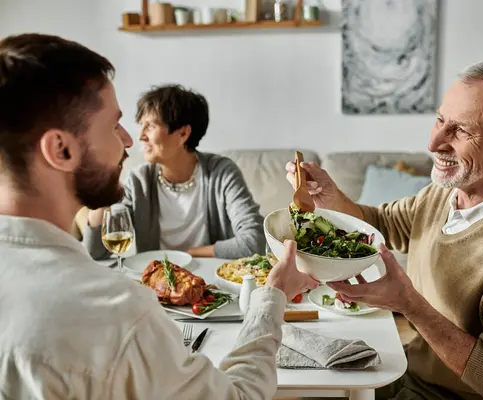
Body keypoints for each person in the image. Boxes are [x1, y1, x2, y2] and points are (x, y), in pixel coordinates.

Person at [0, 33, 319, 398]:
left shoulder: (218, 172)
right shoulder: (119, 313)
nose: (129, 141)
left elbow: (249, 238)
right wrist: (272, 296)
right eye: (113, 125)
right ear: (61, 148)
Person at [287, 60, 483, 400]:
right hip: (412, 372)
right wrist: (330, 196)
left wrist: (410, 304)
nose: (433, 143)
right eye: (441, 120)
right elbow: (384, 224)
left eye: (461, 130)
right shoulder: (447, 192)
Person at [81, 84, 264, 260]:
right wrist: (105, 179)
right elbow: (95, 253)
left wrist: (192, 253)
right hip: (156, 284)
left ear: (183, 134)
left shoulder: (221, 173)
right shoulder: (139, 181)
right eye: (141, 125)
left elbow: (254, 241)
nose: (140, 136)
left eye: (151, 126)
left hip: (211, 283)